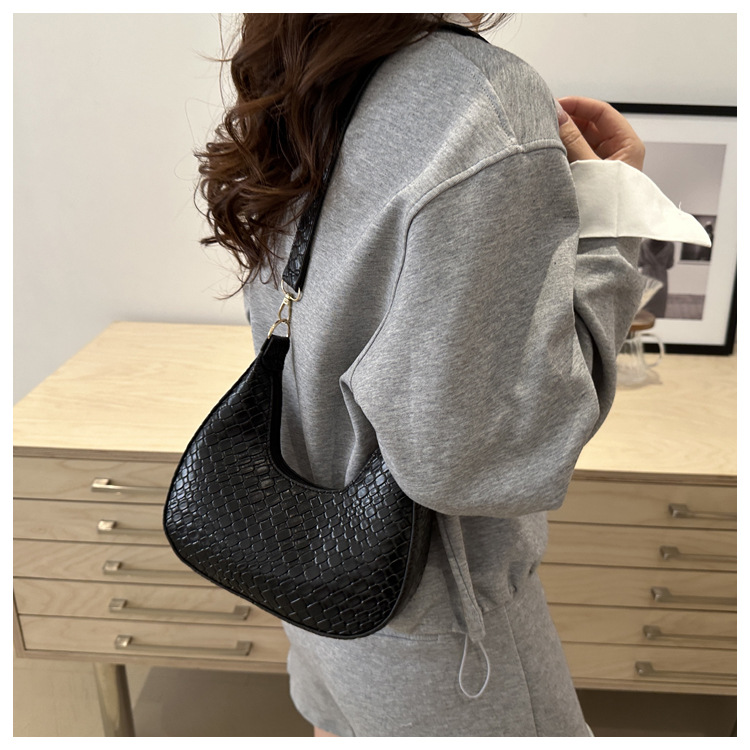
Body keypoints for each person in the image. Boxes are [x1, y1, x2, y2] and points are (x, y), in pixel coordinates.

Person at [195, 13, 711, 738]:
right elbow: (490, 456)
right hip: (436, 624)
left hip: (306, 568)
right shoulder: (481, 99)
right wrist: (612, 210)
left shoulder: (306, 59)